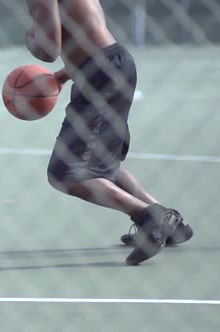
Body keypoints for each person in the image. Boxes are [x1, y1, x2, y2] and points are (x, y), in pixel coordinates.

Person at [25, 0, 193, 265]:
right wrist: (67, 73)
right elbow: (85, 29)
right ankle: (174, 223)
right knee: (102, 163)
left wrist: (30, 38)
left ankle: (151, 217)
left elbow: (47, 49)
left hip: (100, 76)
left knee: (64, 174)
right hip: (111, 64)